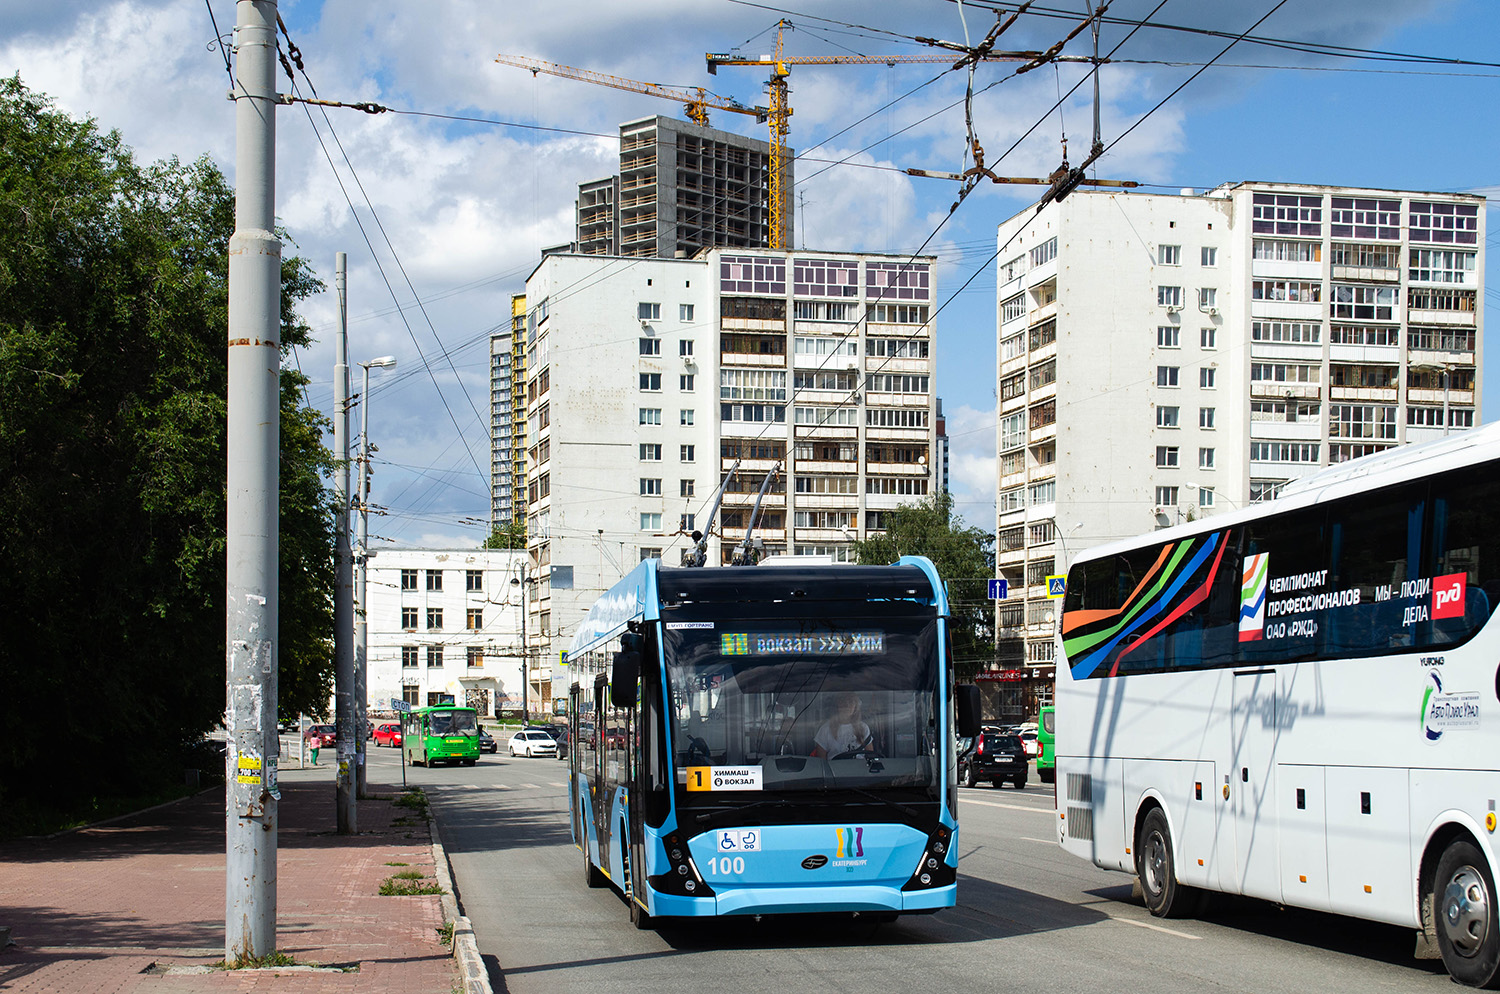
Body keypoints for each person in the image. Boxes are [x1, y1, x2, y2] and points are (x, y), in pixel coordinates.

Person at [813, 692, 873, 758]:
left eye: (851, 702)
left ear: (855, 706)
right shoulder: (825, 729)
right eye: (843, 702)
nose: (847, 705)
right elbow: (821, 761)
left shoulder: (863, 728)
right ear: (837, 705)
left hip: (859, 764)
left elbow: (871, 756)